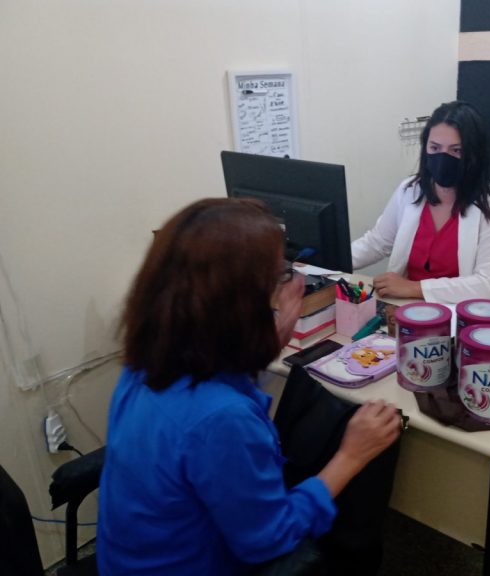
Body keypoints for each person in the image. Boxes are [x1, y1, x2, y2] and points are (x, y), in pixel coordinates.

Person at [97, 198, 402, 575]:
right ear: (240, 305)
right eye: (281, 275)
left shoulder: (147, 364)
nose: (294, 283)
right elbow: (271, 538)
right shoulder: (222, 419)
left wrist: (271, 332)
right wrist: (352, 455)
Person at [351, 101, 490, 304]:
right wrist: (328, 259)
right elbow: (376, 243)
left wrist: (414, 287)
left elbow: (488, 285)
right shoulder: (410, 190)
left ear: (475, 155)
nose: (443, 158)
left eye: (456, 150)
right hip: (409, 308)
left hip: (467, 314)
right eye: (435, 147)